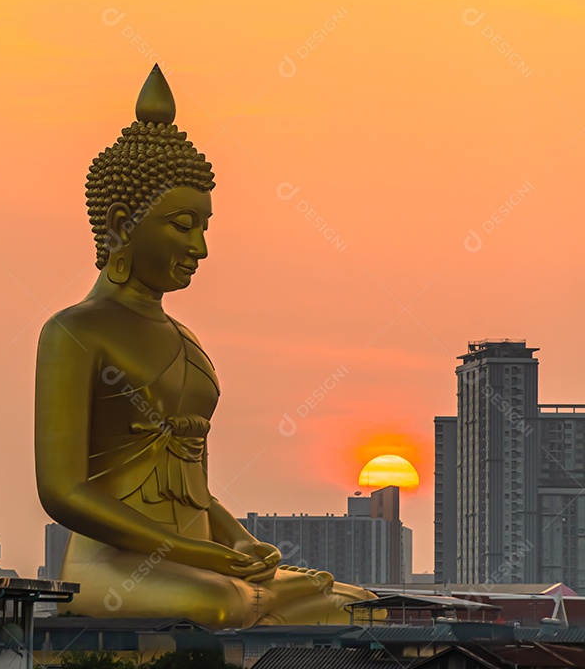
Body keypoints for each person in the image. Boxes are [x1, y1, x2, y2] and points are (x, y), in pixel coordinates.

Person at [34, 66, 376, 628]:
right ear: (121, 224)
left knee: (358, 604)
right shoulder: (75, 331)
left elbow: (195, 488)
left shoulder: (185, 339)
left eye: (205, 227)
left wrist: (238, 542)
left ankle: (267, 597)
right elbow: (63, 491)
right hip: (114, 566)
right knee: (219, 604)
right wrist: (194, 554)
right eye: (183, 225)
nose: (200, 247)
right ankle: (258, 598)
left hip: (202, 561)